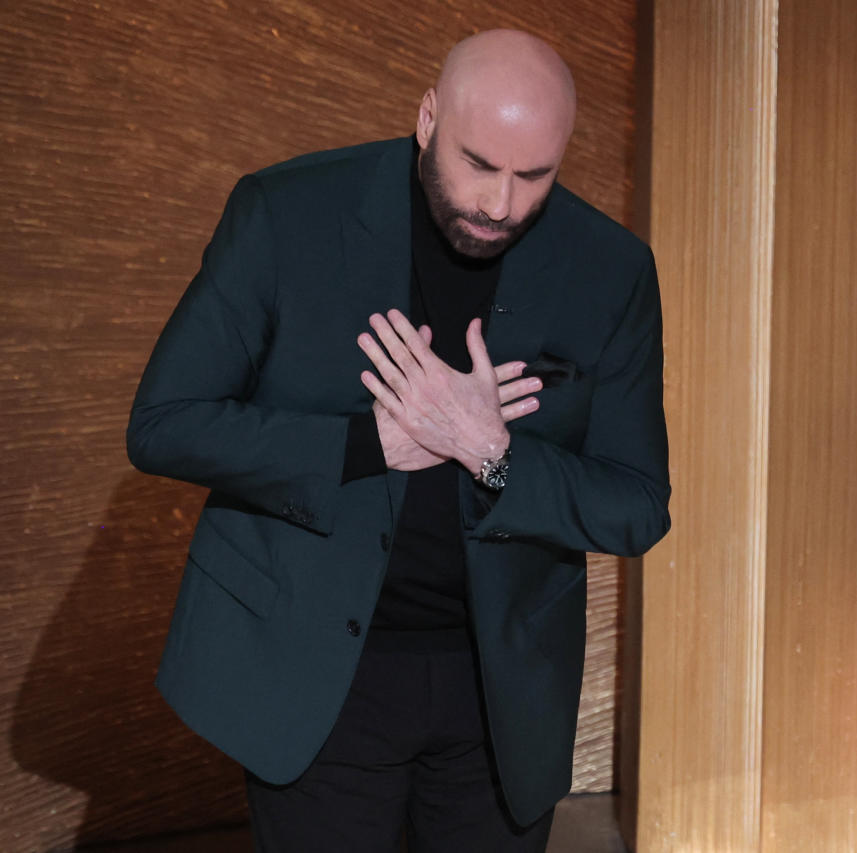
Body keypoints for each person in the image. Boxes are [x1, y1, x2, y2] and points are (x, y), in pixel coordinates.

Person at [127, 29, 670, 852]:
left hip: (500, 696)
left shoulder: (613, 270)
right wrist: (368, 442)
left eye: (535, 177)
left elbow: (636, 506)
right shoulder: (286, 214)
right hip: (315, 671)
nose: (500, 205)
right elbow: (165, 424)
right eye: (479, 164)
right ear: (426, 118)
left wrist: (494, 451)